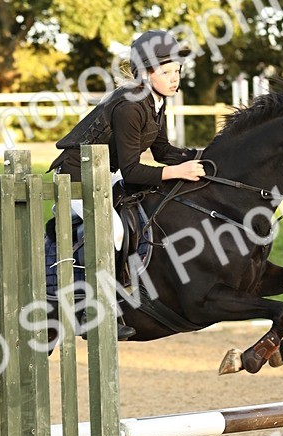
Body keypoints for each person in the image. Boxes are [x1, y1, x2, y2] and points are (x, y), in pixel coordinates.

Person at [49, 29, 206, 337]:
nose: (175, 78)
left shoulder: (156, 102)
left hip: (105, 174)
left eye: (177, 71)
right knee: (115, 230)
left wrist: (205, 156)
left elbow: (162, 152)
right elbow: (133, 171)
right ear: (146, 74)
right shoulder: (131, 105)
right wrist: (180, 171)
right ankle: (102, 307)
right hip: (76, 179)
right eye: (167, 72)